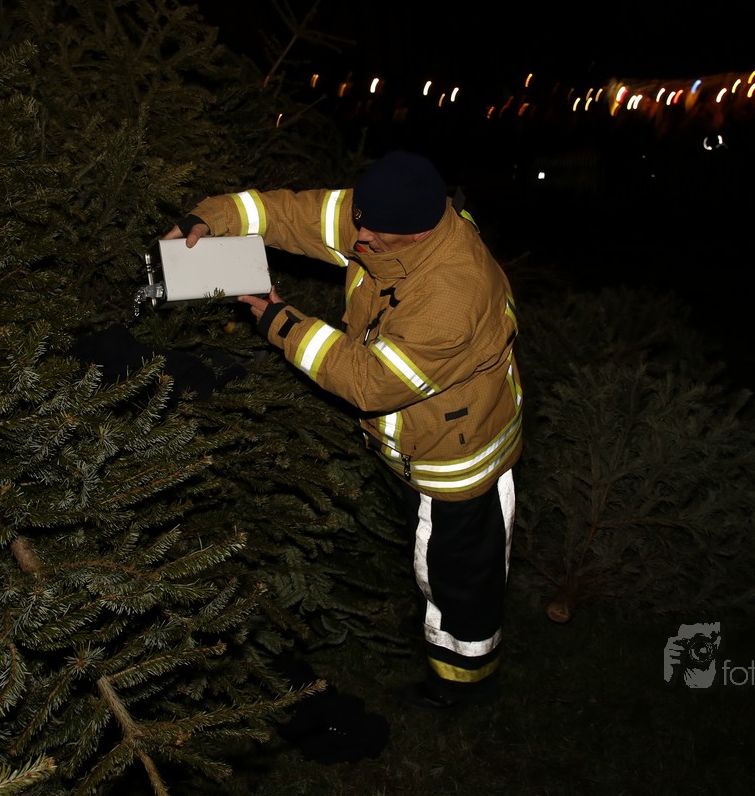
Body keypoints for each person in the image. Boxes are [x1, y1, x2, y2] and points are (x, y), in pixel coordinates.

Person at [163, 149, 523, 710]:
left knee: (456, 581)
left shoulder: (452, 297)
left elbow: (369, 382)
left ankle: (462, 682)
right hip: (419, 443)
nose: (359, 238)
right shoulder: (382, 217)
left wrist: (279, 320)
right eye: (359, 220)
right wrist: (209, 218)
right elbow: (289, 214)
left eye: (372, 232)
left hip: (455, 467)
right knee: (436, 564)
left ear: (417, 233)